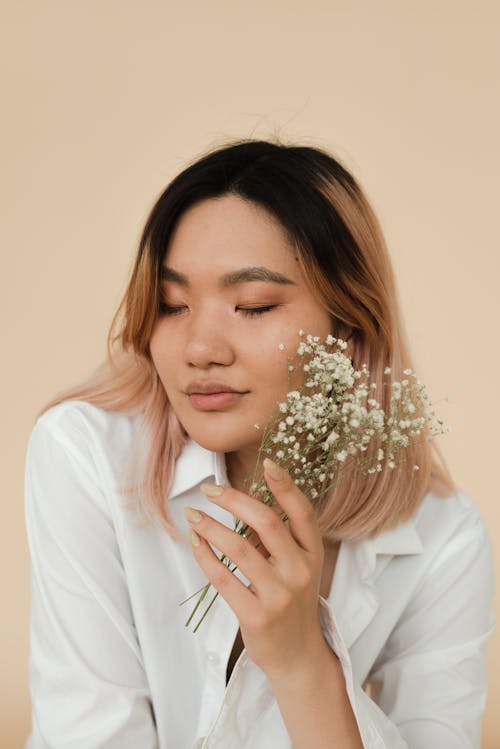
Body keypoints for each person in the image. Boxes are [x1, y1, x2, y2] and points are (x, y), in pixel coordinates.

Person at [24, 138, 495, 748]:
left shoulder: (442, 538)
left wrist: (305, 665)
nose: (200, 349)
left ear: (349, 324)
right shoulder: (87, 454)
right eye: (172, 305)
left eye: (252, 306)